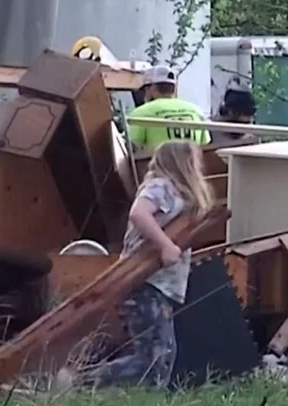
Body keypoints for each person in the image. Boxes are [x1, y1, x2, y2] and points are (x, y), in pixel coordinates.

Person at [83, 140, 215, 389]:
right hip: (145, 282)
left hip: (158, 285)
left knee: (161, 355)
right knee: (156, 357)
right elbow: (139, 213)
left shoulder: (175, 193)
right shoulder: (161, 186)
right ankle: (84, 381)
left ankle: (132, 395)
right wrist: (165, 245)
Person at [127, 66, 211, 150]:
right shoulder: (196, 111)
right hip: (191, 158)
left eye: (145, 90)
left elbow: (133, 147)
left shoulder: (140, 113)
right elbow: (205, 146)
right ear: (174, 89)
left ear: (152, 89)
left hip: (158, 158)